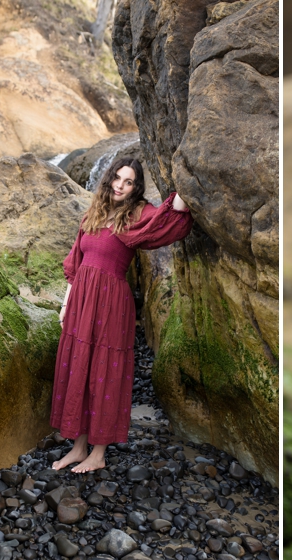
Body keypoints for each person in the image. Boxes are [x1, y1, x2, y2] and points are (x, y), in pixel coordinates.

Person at [50, 157, 194, 473]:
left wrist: (188, 175)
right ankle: (78, 448)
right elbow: (75, 267)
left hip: (112, 304)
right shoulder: (93, 214)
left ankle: (98, 454)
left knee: (104, 373)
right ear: (108, 179)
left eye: (128, 182)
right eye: (117, 178)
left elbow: (173, 216)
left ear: (135, 188)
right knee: (80, 369)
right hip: (81, 302)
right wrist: (65, 305)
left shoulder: (138, 214)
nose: (120, 185)